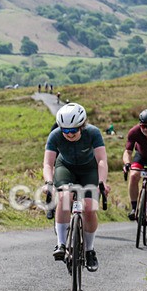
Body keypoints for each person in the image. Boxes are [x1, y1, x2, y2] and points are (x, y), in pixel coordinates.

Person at [43, 102, 109, 272]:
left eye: (73, 131)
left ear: (82, 126)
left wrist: (102, 181)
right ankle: (61, 244)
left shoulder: (93, 133)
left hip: (89, 170)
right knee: (65, 198)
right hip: (65, 167)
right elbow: (48, 163)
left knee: (89, 208)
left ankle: (89, 250)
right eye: (65, 130)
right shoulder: (55, 135)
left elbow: (101, 159)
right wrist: (49, 182)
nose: (69, 134)